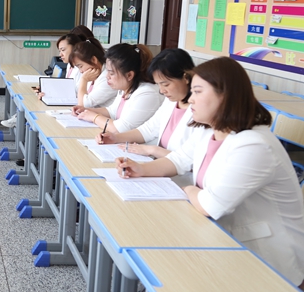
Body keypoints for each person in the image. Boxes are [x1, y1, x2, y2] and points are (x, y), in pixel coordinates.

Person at [117, 57, 304, 288]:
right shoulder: (210, 131)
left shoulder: (254, 145)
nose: (191, 99)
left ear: (224, 95)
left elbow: (210, 205)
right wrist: (141, 169)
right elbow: (178, 159)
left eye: (197, 92)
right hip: (225, 236)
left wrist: (188, 189)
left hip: (268, 258)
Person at [97, 48, 200, 158]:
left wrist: (153, 150)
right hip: (159, 165)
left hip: (171, 168)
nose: (162, 90)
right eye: (159, 84)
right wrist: (115, 138)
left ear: (186, 78)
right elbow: (149, 129)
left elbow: (190, 161)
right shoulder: (171, 101)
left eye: (166, 84)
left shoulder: (200, 112)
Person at [1, 32, 85, 129]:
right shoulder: (70, 65)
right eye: (59, 51)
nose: (60, 54)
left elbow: (76, 94)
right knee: (35, 101)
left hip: (73, 107)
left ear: (75, 48)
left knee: (39, 109)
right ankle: (20, 120)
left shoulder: (81, 69)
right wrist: (47, 90)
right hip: (66, 102)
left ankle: (22, 123)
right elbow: (67, 88)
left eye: (63, 50)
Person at [72, 43, 162, 133]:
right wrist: (86, 110)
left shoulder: (147, 93)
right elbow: (112, 112)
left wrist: (94, 117)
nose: (107, 76)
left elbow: (120, 128)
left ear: (129, 75)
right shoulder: (126, 88)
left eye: (111, 73)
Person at [67, 37, 116, 108]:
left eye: (80, 66)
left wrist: (84, 80)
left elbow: (83, 104)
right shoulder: (93, 74)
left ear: (93, 60)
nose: (81, 71)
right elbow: (76, 91)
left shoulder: (108, 77)